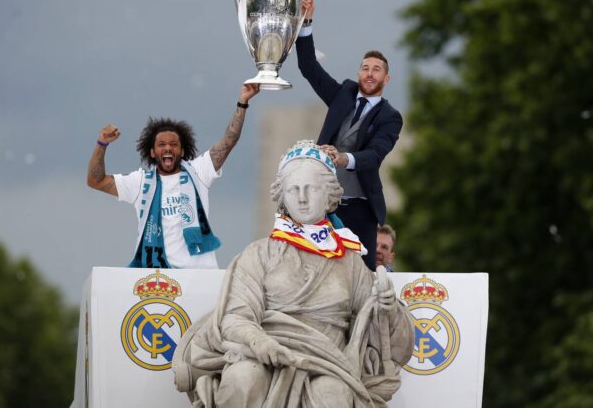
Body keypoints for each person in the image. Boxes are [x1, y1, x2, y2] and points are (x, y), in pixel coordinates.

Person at [173, 140, 414, 408]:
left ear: (330, 195)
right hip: (262, 354)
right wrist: (260, 342)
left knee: (332, 395)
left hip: (327, 363)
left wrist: (388, 309)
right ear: (283, 196)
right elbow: (235, 318)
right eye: (293, 189)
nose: (301, 197)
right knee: (243, 378)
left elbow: (380, 332)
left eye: (311, 188)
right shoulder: (258, 254)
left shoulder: (350, 262)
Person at [86, 83, 260, 268]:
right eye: (161, 144)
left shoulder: (198, 171)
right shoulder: (140, 181)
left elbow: (229, 140)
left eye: (173, 144)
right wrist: (102, 144)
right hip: (157, 279)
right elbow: (95, 181)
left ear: (182, 151)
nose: (168, 147)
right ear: (152, 152)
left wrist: (242, 102)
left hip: (199, 278)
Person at [294, 0, 403, 271]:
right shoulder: (343, 93)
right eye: (365, 68)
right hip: (325, 202)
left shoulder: (390, 117)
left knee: (360, 275)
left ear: (385, 79)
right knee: (315, 268)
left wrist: (343, 158)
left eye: (376, 70)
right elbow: (309, 68)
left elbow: (374, 155)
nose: (369, 73)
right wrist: (306, 21)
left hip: (360, 205)